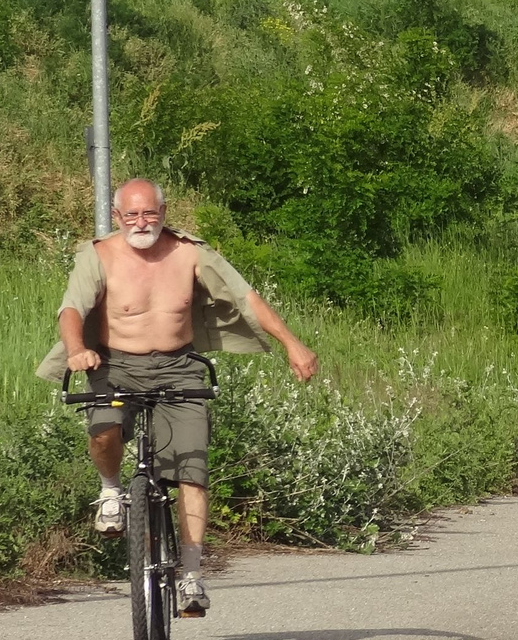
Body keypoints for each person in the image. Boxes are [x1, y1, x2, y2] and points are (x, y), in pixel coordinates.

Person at [36, 179, 317, 616]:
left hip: (178, 366)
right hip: (114, 364)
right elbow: (71, 308)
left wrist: (291, 343)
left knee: (191, 470)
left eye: (149, 213)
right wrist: (77, 349)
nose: (141, 222)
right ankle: (111, 491)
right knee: (103, 431)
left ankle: (190, 576)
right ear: (118, 217)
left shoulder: (189, 253)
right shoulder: (100, 255)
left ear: (164, 212)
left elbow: (246, 297)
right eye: (132, 215)